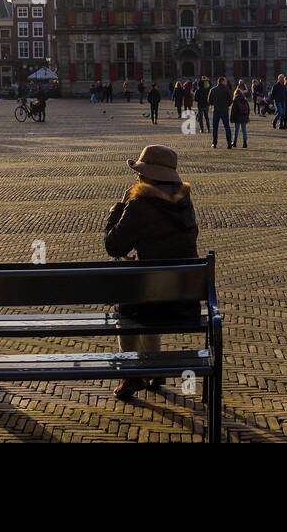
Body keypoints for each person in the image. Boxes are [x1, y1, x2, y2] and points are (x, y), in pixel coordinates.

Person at [104, 145, 199, 401]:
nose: (137, 178)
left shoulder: (139, 205)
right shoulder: (185, 202)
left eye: (140, 174)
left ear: (147, 176)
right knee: (149, 289)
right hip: (182, 303)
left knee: (131, 303)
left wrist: (118, 208)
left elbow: (114, 245)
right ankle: (155, 367)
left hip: (150, 303)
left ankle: (131, 374)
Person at [209, 76, 234, 147]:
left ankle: (214, 143)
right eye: (225, 81)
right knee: (227, 127)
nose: (226, 82)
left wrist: (213, 104)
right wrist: (227, 105)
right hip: (224, 110)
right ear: (222, 81)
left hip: (216, 110)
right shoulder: (227, 89)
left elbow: (209, 100)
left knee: (215, 127)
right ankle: (229, 142)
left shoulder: (213, 90)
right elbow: (231, 100)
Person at [231, 81, 251, 148]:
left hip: (237, 117)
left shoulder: (235, 100)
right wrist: (247, 116)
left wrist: (231, 119)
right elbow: (248, 109)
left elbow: (233, 111)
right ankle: (244, 143)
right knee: (244, 130)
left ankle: (234, 142)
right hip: (244, 117)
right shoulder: (245, 99)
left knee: (236, 130)